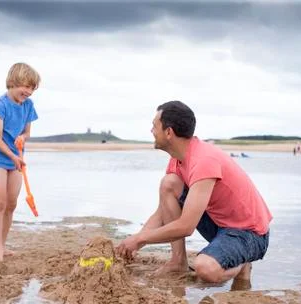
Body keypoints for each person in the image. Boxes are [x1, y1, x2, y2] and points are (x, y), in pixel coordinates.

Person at [116, 101, 272, 287]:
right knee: (169, 184)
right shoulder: (178, 158)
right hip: (219, 224)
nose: (151, 131)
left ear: (169, 132)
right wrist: (136, 242)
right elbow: (162, 213)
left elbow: (186, 227)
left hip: (250, 233)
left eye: (154, 126)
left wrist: (140, 239)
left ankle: (243, 264)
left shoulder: (204, 160)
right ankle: (178, 261)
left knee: (205, 268)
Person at [0, 62, 40, 261]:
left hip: (17, 158)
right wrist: (13, 156)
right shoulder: (0, 105)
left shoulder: (28, 106)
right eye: (26, 86)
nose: (29, 92)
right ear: (14, 82)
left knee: (11, 204)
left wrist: (23, 139)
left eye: (32, 88)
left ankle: (4, 244)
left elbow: (26, 132)